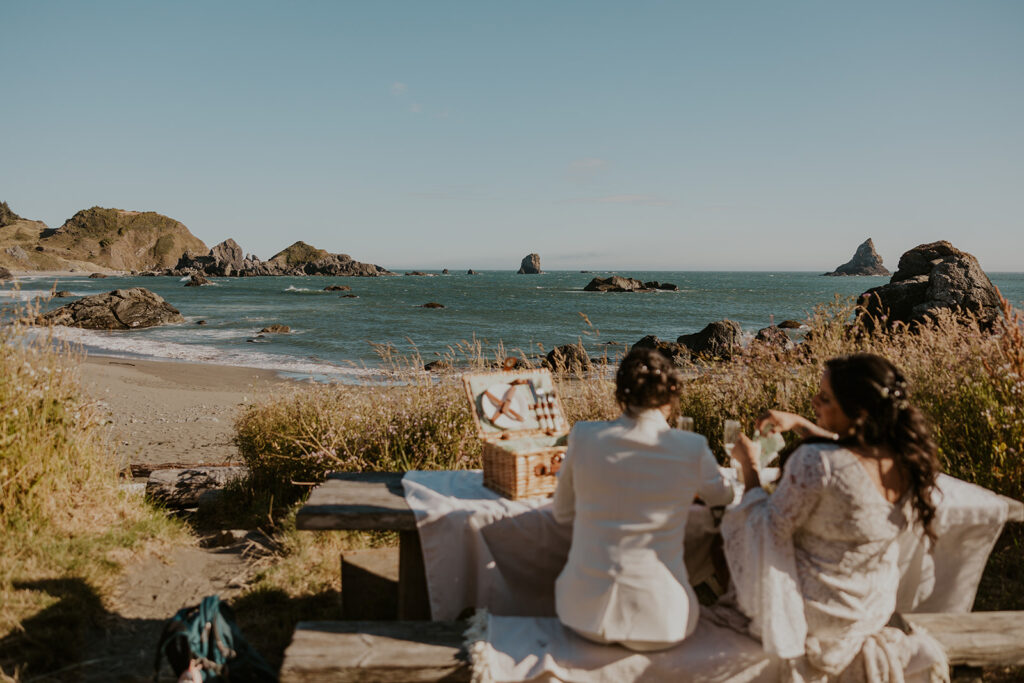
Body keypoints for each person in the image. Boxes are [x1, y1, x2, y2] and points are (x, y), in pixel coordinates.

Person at [723, 353, 949, 682]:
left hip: (816, 615)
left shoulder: (816, 461)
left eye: (825, 398)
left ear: (859, 413)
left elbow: (765, 529)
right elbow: (848, 454)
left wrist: (751, 468)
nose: (814, 399)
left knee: (725, 538)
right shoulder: (904, 458)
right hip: (868, 610)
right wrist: (801, 424)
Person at [552, 346, 734, 651]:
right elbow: (723, 497)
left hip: (584, 615)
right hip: (662, 621)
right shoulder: (691, 446)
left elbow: (562, 514)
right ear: (672, 393)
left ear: (620, 393)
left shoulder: (583, 436)